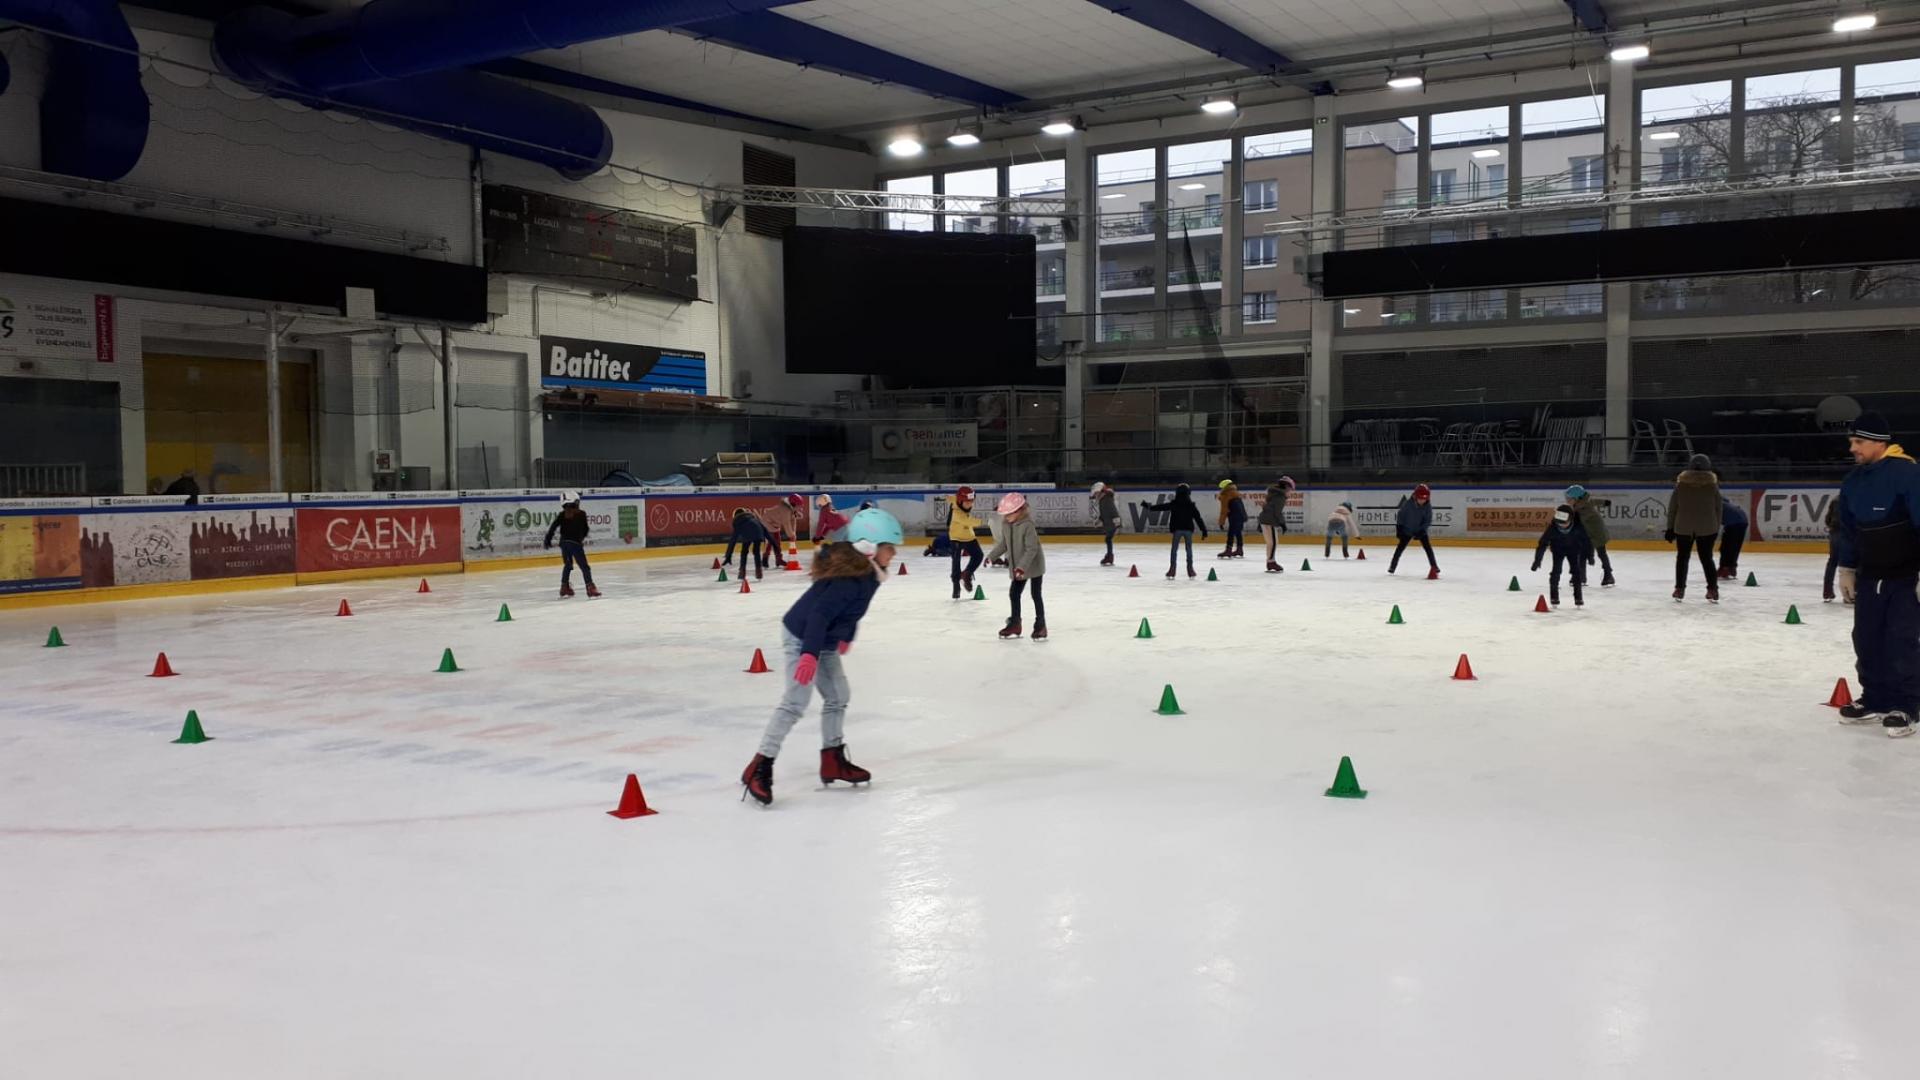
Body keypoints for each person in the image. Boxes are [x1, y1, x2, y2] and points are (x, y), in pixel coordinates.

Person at [740, 508, 901, 805]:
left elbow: (851, 613)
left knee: (838, 694)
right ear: (870, 547)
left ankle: (832, 760)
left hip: (823, 639)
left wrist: (846, 637)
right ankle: (759, 766)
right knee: (795, 702)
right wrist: (809, 655)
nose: (893, 555)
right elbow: (819, 615)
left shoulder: (866, 575)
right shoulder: (849, 579)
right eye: (890, 548)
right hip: (803, 636)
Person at [1831, 411, 1920, 737]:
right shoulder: (1853, 481)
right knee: (1866, 639)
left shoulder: (1908, 475)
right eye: (1852, 441)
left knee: (1901, 640)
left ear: (1880, 443)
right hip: (1870, 576)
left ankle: (1907, 705)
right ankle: (1875, 698)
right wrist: (1847, 569)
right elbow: (1851, 532)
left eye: (1859, 442)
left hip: (1905, 576)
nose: (1852, 448)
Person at [987, 493, 1047, 640]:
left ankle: (1041, 625)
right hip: (1018, 566)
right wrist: (991, 557)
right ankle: (1015, 624)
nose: (1005, 517)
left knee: (1036, 594)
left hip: (1033, 565)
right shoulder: (1006, 524)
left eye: (1008, 514)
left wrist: (1022, 567)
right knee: (1014, 593)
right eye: (1004, 514)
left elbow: (1032, 549)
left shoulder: (1028, 525)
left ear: (1019, 511)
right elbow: (1004, 544)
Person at [1665, 453, 1721, 602]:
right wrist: (1716, 527)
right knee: (1707, 559)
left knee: (1682, 558)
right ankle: (1713, 589)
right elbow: (1718, 508)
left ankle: (1679, 589)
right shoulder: (1712, 486)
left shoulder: (1681, 486)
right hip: (1707, 528)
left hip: (1683, 527)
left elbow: (1673, 508)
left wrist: (1670, 528)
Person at [1531, 504, 1593, 607]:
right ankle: (1554, 597)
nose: (1561, 526)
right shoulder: (1552, 528)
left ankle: (1578, 597)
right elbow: (1542, 544)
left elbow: (1587, 541)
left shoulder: (1579, 526)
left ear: (1571, 519)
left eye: (1564, 523)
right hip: (1558, 551)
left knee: (1576, 572)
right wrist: (1537, 560)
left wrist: (1590, 555)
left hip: (1573, 550)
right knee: (1556, 572)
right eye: (1559, 523)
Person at [543, 492, 600, 598]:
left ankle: (564, 587)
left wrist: (548, 539)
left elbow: (553, 527)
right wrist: (581, 538)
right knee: (584, 566)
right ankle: (590, 587)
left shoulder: (562, 514)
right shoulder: (581, 513)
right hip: (575, 544)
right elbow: (585, 529)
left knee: (568, 565)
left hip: (564, 544)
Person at [1149, 484, 1209, 579]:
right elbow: (1198, 518)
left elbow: (1162, 507)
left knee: (1174, 550)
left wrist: (1150, 507)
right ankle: (1190, 569)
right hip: (1188, 530)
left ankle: (1172, 569)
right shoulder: (1191, 505)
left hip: (1177, 530)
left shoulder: (1174, 504)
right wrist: (1204, 530)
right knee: (1188, 549)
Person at [1565, 485, 1615, 587]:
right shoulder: (1582, 504)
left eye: (1569, 499)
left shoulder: (1584, 510)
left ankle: (1608, 575)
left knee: (1601, 554)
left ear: (1577, 498)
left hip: (1597, 534)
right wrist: (1605, 502)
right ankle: (1581, 577)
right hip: (1588, 534)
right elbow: (1595, 501)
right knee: (1581, 555)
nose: (1567, 501)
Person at [1389, 484, 1439, 577]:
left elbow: (1428, 520)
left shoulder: (1428, 507)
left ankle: (1434, 566)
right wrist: (1399, 528)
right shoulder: (1408, 504)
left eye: (1424, 499)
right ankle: (1392, 567)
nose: (1422, 501)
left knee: (1428, 549)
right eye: (1420, 498)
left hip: (1420, 530)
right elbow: (1400, 516)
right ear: (1415, 496)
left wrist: (1422, 530)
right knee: (1399, 549)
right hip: (1407, 530)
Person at [946, 486, 985, 599]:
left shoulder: (958, 500)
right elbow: (968, 521)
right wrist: (985, 521)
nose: (970, 504)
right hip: (956, 538)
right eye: (967, 502)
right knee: (956, 562)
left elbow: (953, 498)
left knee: (979, 555)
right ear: (960, 501)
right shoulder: (956, 513)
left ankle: (967, 573)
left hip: (969, 536)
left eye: (971, 502)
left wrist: (949, 497)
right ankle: (956, 586)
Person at [1257, 476, 1294, 572]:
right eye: (1290, 489)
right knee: (1273, 542)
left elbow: (1266, 507)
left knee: (1271, 543)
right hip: (1270, 521)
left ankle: (1270, 561)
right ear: (1286, 487)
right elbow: (1277, 512)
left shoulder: (1273, 494)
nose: (1291, 491)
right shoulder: (1280, 496)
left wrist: (1260, 522)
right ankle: (1271, 562)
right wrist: (1282, 524)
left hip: (1265, 519)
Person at [725, 507, 769, 580]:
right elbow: (764, 530)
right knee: (756, 552)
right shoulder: (752, 518)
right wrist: (773, 543)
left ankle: (742, 572)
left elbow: (733, 539)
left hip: (747, 535)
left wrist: (728, 555)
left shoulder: (737, 521)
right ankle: (759, 571)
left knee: (744, 552)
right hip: (757, 534)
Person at [1716, 496, 1750, 580]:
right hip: (1743, 520)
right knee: (1735, 546)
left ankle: (1725, 568)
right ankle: (1731, 567)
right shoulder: (1723, 502)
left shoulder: (1714, 505)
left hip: (1733, 522)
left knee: (1726, 547)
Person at [1216, 479, 1248, 559]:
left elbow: (1224, 510)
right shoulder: (1236, 493)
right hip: (1240, 516)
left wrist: (1221, 522)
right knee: (1238, 532)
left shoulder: (1226, 495)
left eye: (1222, 488)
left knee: (1231, 533)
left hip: (1234, 516)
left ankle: (1228, 550)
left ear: (1225, 487)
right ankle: (1239, 549)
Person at [1824, 498, 1846, 604]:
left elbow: (1828, 518)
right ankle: (1851, 593)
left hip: (1835, 532)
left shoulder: (1835, 500)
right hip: (1847, 533)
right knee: (1852, 563)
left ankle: (1827, 592)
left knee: (1832, 562)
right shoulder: (1854, 498)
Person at [1092, 482, 1120, 566]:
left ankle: (1109, 556)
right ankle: (1109, 556)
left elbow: (1113, 509)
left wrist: (1117, 521)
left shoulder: (1107, 498)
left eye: (1096, 493)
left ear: (1101, 491)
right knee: (1108, 540)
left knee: (1108, 539)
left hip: (1112, 523)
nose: (1096, 495)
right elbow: (1104, 513)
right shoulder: (1102, 500)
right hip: (1109, 523)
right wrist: (1099, 520)